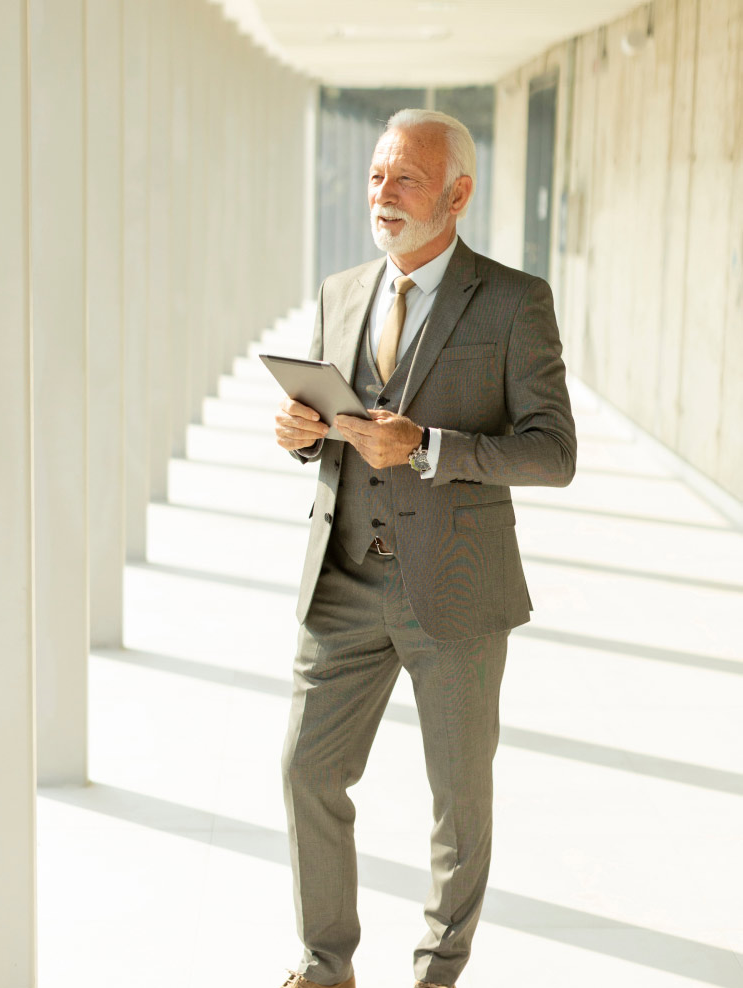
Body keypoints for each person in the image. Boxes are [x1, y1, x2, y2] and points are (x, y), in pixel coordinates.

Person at [273, 108, 576, 988]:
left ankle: (436, 972)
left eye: (405, 177)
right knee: (304, 772)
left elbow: (552, 452)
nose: (383, 193)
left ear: (458, 193)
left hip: (457, 586)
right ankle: (324, 966)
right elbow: (331, 426)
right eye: (375, 175)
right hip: (342, 582)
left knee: (456, 800)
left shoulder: (516, 301)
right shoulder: (339, 291)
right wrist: (301, 432)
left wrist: (432, 447)